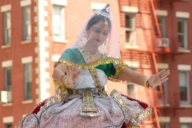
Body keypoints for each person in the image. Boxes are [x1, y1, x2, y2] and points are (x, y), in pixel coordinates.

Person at [17, 4, 170, 128]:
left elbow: (131, 74)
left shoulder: (107, 61)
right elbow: (57, 71)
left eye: (105, 33)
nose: (100, 36)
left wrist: (148, 82)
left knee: (118, 119)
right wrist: (66, 81)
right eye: (96, 30)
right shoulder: (72, 53)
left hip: (102, 104)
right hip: (72, 103)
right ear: (87, 31)